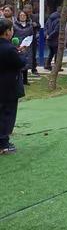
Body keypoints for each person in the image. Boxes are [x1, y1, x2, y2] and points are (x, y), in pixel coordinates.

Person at [0, 18, 26, 155]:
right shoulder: (9, 48)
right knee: (7, 115)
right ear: (6, 32)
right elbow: (20, 63)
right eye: (11, 29)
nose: (12, 32)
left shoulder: (9, 48)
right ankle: (4, 143)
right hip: (9, 86)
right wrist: (21, 53)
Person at [13, 11, 34, 86]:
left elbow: (31, 35)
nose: (22, 16)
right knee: (18, 63)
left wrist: (26, 45)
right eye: (21, 15)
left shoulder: (30, 26)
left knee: (26, 62)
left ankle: (25, 80)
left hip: (27, 46)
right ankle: (18, 80)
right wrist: (17, 46)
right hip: (17, 46)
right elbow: (12, 36)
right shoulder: (14, 25)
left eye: (24, 15)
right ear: (18, 16)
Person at [23, 3, 39, 77]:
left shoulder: (35, 17)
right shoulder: (22, 16)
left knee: (33, 53)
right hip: (24, 39)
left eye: (30, 9)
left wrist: (36, 25)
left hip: (33, 38)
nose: (28, 10)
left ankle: (34, 69)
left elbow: (39, 25)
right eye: (27, 9)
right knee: (23, 54)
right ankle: (23, 69)